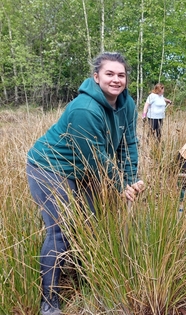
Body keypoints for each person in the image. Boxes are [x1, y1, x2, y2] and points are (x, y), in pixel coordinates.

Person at [26, 52, 145, 315]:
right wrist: (119, 186)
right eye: (109, 74)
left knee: (90, 225)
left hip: (84, 169)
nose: (116, 80)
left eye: (121, 75)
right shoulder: (85, 109)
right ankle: (50, 303)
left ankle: (85, 283)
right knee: (61, 230)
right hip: (50, 167)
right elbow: (96, 159)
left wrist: (130, 180)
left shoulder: (127, 104)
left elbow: (128, 144)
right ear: (96, 77)